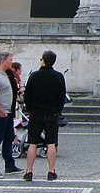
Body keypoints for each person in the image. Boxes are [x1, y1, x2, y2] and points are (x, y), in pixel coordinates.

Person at [23, 50, 67, 182]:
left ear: (43, 60)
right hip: (51, 112)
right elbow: (61, 96)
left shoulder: (34, 76)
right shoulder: (58, 76)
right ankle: (51, 171)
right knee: (51, 142)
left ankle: (29, 171)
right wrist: (58, 110)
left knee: (32, 143)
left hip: (36, 112)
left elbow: (27, 96)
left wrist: (30, 109)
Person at [0, 51, 21, 177]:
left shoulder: (5, 74)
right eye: (10, 59)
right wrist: (1, 113)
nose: (12, 62)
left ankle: (9, 165)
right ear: (3, 61)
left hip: (7, 112)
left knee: (9, 138)